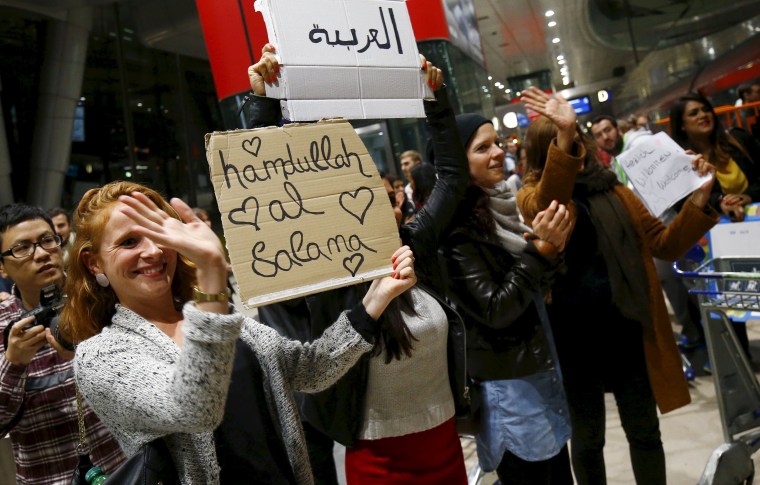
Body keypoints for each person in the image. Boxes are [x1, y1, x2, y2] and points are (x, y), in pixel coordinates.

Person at [59, 181, 416, 485]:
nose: (152, 251)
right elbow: (194, 409)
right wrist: (211, 273)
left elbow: (312, 368)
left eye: (158, 235)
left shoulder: (224, 320)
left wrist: (375, 299)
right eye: (129, 242)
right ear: (94, 263)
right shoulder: (101, 355)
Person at [231, 44, 470, 485]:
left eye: (383, 195)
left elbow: (454, 178)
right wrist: (264, 100)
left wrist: (436, 101)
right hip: (380, 464)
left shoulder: (417, 246)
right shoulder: (331, 274)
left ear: (398, 203)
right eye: (357, 198)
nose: (374, 205)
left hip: (446, 447)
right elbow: (269, 192)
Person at [519, 86, 720, 485]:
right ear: (549, 152)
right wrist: (563, 133)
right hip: (574, 340)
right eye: (563, 142)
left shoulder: (615, 191)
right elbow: (551, 202)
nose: (575, 148)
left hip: (628, 330)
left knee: (644, 432)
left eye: (577, 140)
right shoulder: (533, 197)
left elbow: (666, 244)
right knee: (588, 440)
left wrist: (698, 198)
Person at [439, 112, 575, 485]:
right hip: (508, 389)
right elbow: (494, 309)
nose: (498, 152)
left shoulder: (504, 208)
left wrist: (551, 250)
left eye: (497, 143)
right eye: (483, 148)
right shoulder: (456, 230)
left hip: (537, 371)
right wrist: (541, 252)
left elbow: (536, 283)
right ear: (457, 161)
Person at [0, 203, 125, 484]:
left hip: (123, 468)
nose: (42, 254)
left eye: (47, 240)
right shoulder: (3, 326)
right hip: (48, 476)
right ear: (2, 267)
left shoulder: (100, 297)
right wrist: (14, 363)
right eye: (22, 248)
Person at [669, 92, 760, 223]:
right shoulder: (682, 165)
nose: (703, 115)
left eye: (706, 110)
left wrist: (748, 196)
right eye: (694, 113)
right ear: (682, 125)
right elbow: (683, 207)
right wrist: (719, 202)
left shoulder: (740, 139)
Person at [590, 115, 628, 185]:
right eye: (598, 136)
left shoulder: (638, 144)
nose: (605, 137)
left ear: (618, 130)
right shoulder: (614, 164)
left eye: (608, 130)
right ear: (595, 142)